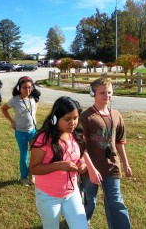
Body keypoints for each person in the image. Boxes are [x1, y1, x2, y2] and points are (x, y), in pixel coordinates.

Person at [29, 96, 101, 229]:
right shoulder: (43, 139)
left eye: (75, 118)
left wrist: (82, 165)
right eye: (67, 119)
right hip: (48, 196)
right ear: (55, 119)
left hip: (71, 193)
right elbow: (34, 168)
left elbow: (80, 157)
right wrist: (59, 166)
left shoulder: (77, 134)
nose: (73, 123)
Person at [80, 77, 132, 229]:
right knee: (90, 199)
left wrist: (126, 163)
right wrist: (90, 169)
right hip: (90, 168)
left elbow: (120, 142)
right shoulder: (86, 117)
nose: (106, 96)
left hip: (111, 166)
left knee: (115, 200)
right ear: (93, 93)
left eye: (109, 92)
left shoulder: (116, 115)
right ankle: (82, 222)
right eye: (102, 92)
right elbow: (81, 145)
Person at [1, 76, 41, 186]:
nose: (27, 90)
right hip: (20, 132)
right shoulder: (15, 99)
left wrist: (34, 121)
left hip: (32, 130)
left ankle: (32, 174)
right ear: (19, 88)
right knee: (24, 154)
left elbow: (34, 111)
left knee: (35, 154)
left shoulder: (33, 98)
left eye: (29, 87)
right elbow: (3, 109)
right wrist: (11, 121)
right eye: (24, 88)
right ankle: (23, 177)